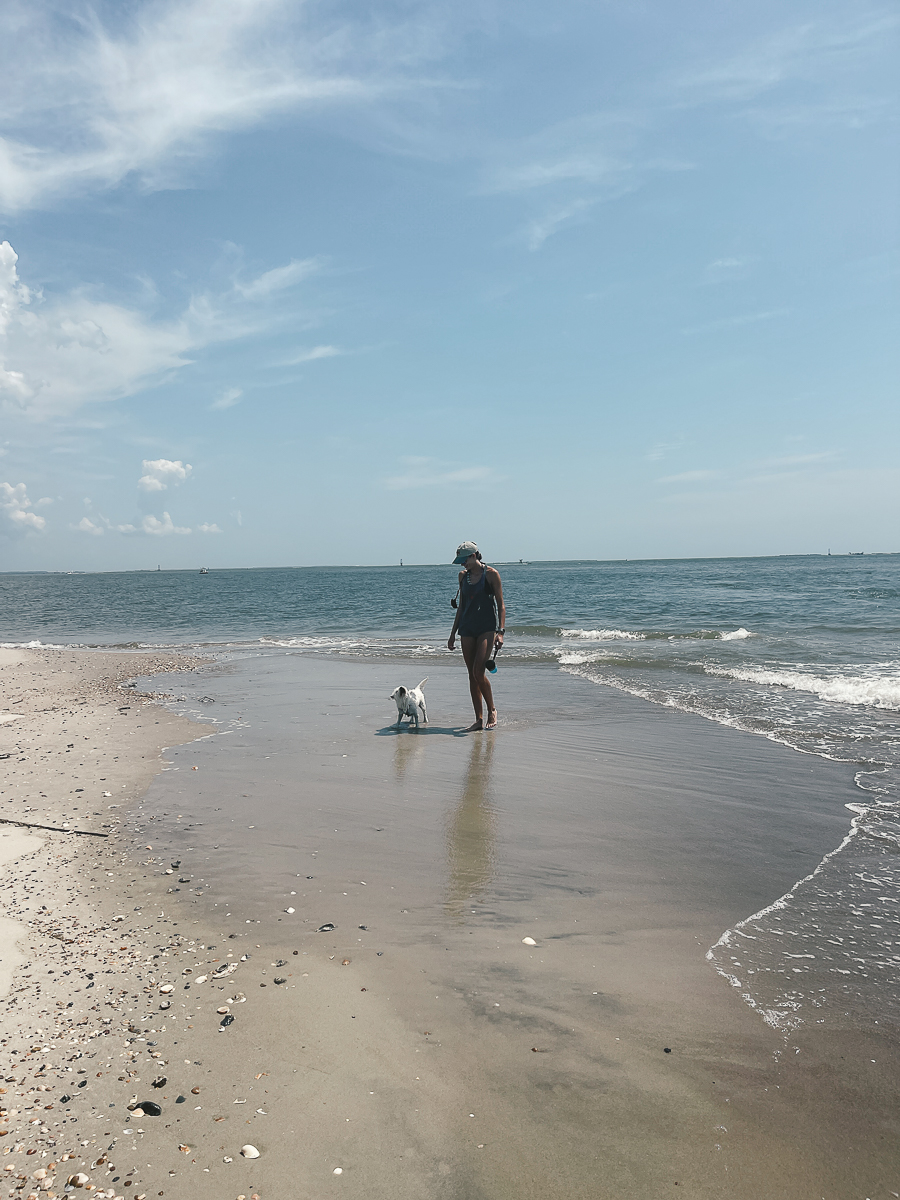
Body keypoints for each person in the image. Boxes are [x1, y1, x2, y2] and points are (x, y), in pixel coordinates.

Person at [447, 541, 506, 731]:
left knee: (479, 672)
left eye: (464, 560)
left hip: (486, 628)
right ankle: (478, 719)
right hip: (467, 629)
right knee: (471, 675)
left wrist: (500, 632)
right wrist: (452, 634)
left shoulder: (491, 575)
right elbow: (462, 607)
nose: (462, 564)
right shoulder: (463, 577)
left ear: (473, 556)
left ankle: (492, 709)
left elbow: (501, 605)